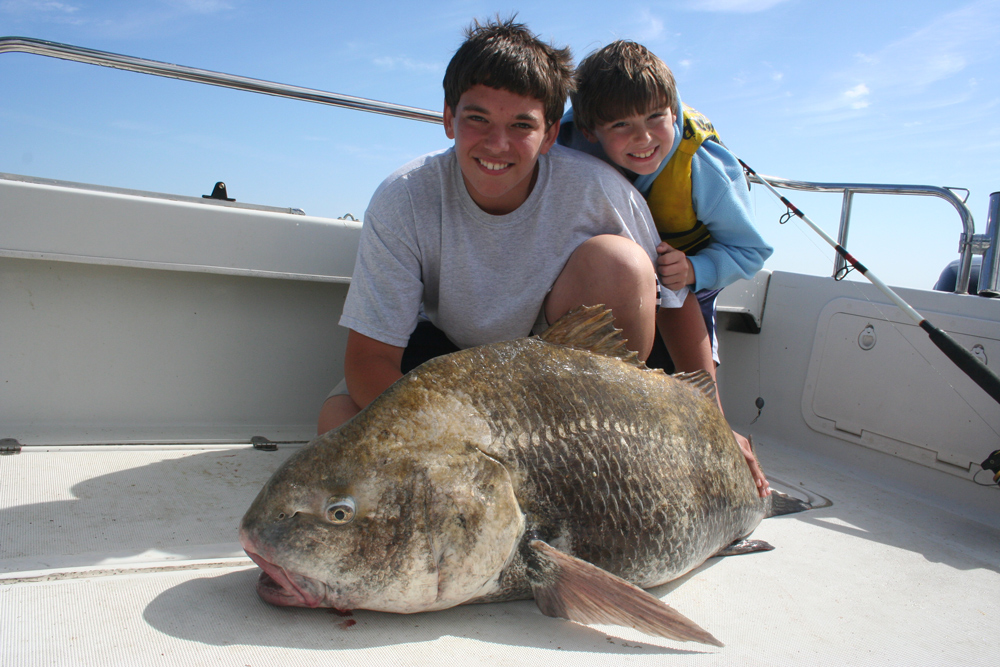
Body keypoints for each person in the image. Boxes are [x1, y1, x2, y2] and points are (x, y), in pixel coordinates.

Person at [318, 18, 684, 436]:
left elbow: (674, 303)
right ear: (449, 119)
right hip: (447, 360)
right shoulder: (405, 196)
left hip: (555, 380)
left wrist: (715, 413)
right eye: (478, 119)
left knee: (622, 262)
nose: (497, 144)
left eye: (522, 126)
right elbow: (370, 360)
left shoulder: (599, 189)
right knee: (338, 423)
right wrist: (458, 433)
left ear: (550, 135)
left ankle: (586, 437)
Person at [558, 40, 773, 495]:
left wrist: (695, 269)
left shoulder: (703, 169)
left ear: (673, 111)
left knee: (692, 385)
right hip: (615, 270)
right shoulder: (565, 143)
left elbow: (750, 250)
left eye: (656, 117)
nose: (644, 138)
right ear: (591, 130)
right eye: (622, 125)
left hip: (690, 275)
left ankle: (722, 442)